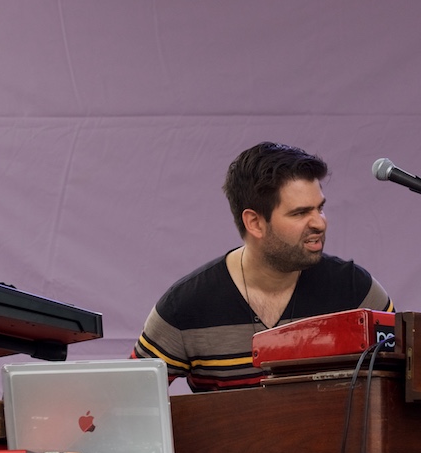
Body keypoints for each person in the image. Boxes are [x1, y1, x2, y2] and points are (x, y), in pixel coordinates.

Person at [133, 141, 394, 392]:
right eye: (301, 213)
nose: (319, 223)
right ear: (255, 223)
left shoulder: (356, 291)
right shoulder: (185, 307)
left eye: (320, 208)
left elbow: (405, 382)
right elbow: (128, 402)